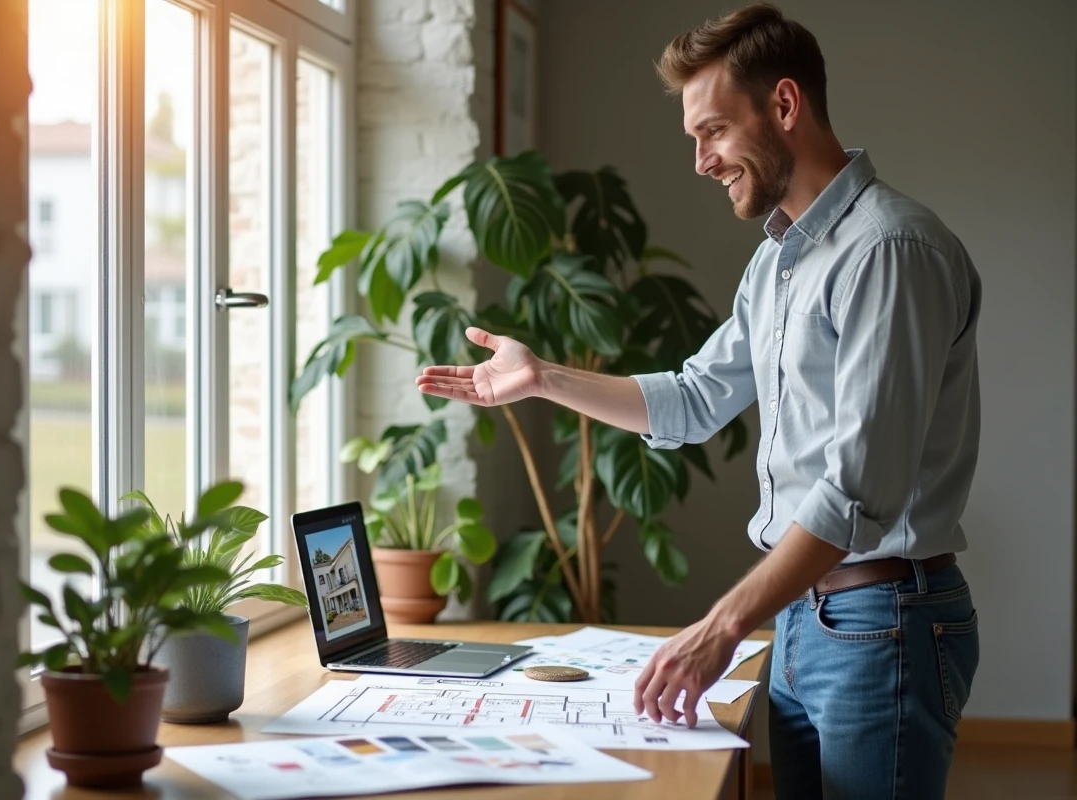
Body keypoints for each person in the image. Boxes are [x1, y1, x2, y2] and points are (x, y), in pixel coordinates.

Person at [415, 4, 980, 798]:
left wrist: (721, 626)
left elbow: (857, 492)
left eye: (712, 131)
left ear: (784, 106)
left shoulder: (889, 252)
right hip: (804, 617)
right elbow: (692, 397)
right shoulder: (780, 262)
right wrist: (542, 377)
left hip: (879, 622)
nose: (701, 161)